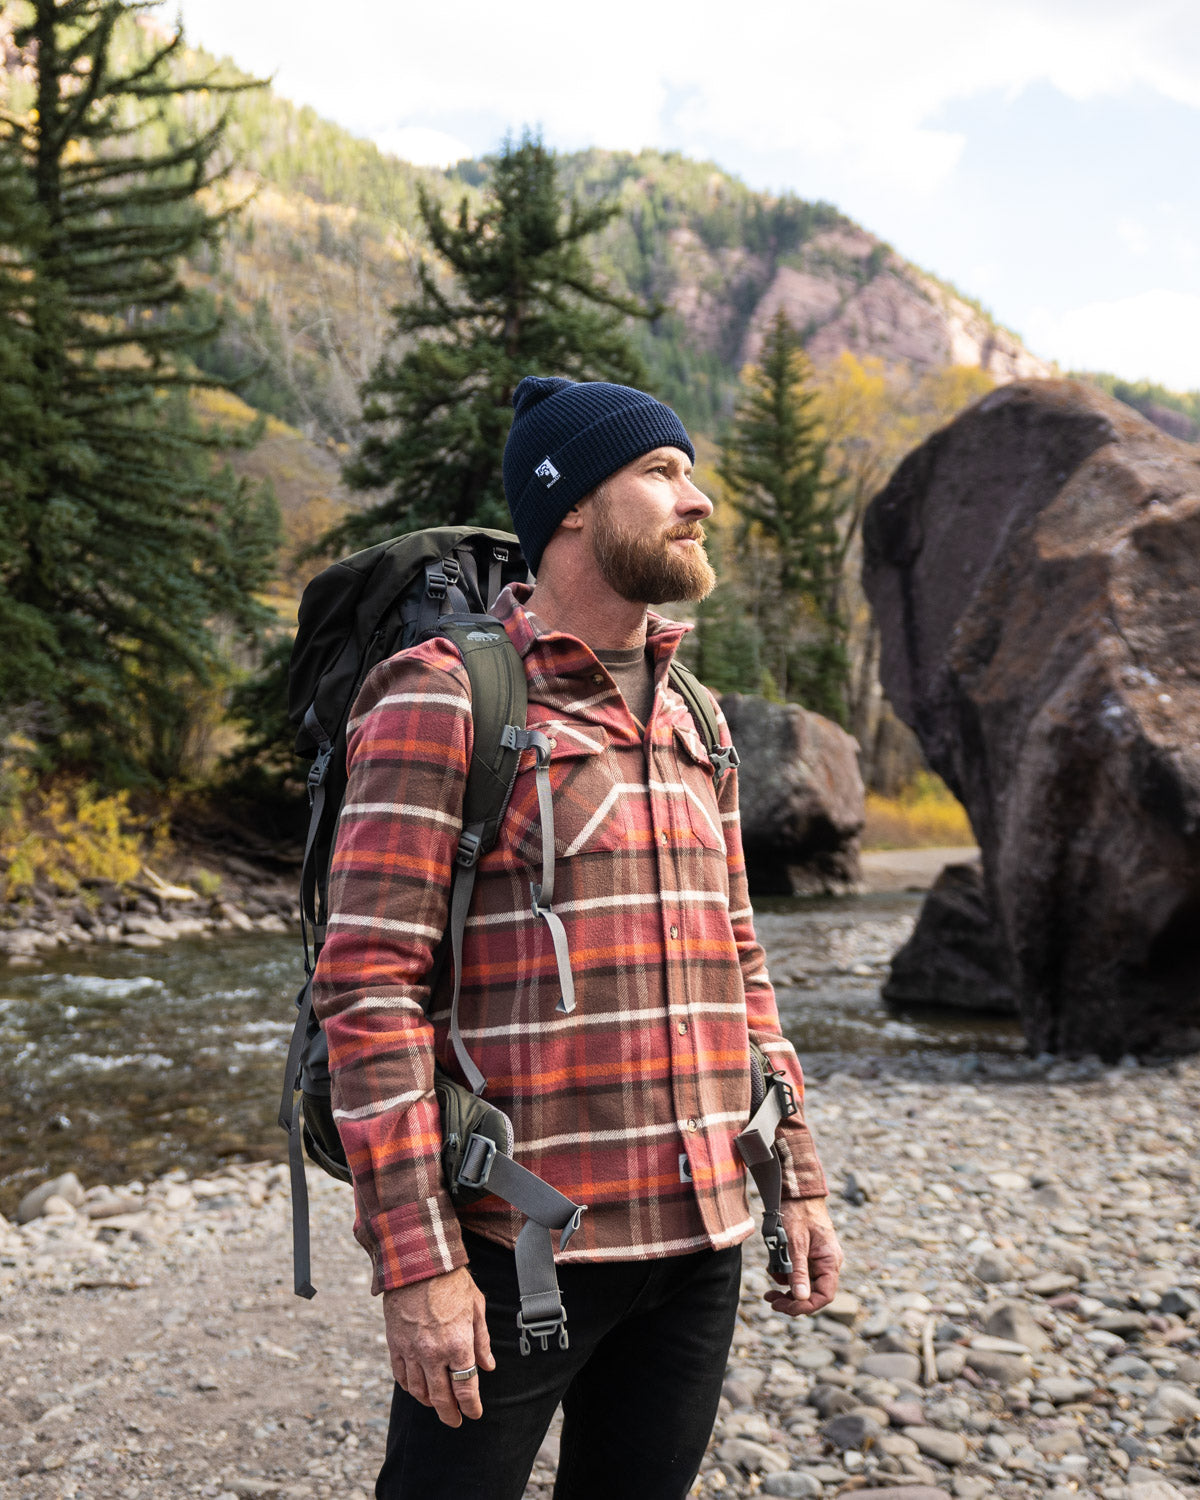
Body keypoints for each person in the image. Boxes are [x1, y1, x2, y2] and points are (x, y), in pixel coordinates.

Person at [312, 375, 842, 1500]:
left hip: (702, 1236)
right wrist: (418, 1269)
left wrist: (796, 1179)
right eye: (660, 473)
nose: (695, 500)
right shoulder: (445, 700)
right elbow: (367, 995)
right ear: (565, 508)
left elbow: (743, 967)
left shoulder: (695, 718)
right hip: (518, 1246)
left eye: (689, 472)